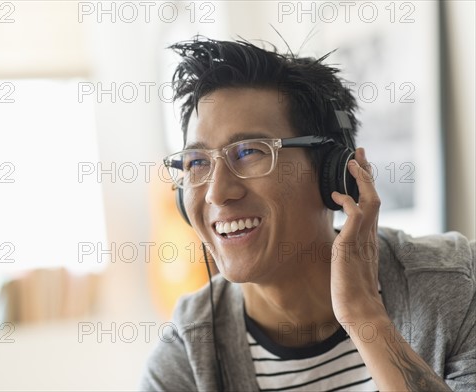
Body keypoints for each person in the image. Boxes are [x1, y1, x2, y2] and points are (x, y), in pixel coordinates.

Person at [140, 36, 475, 391]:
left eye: (249, 152)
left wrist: (365, 316)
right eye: (198, 162)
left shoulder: (455, 284)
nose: (217, 192)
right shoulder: (186, 358)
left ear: (337, 172)